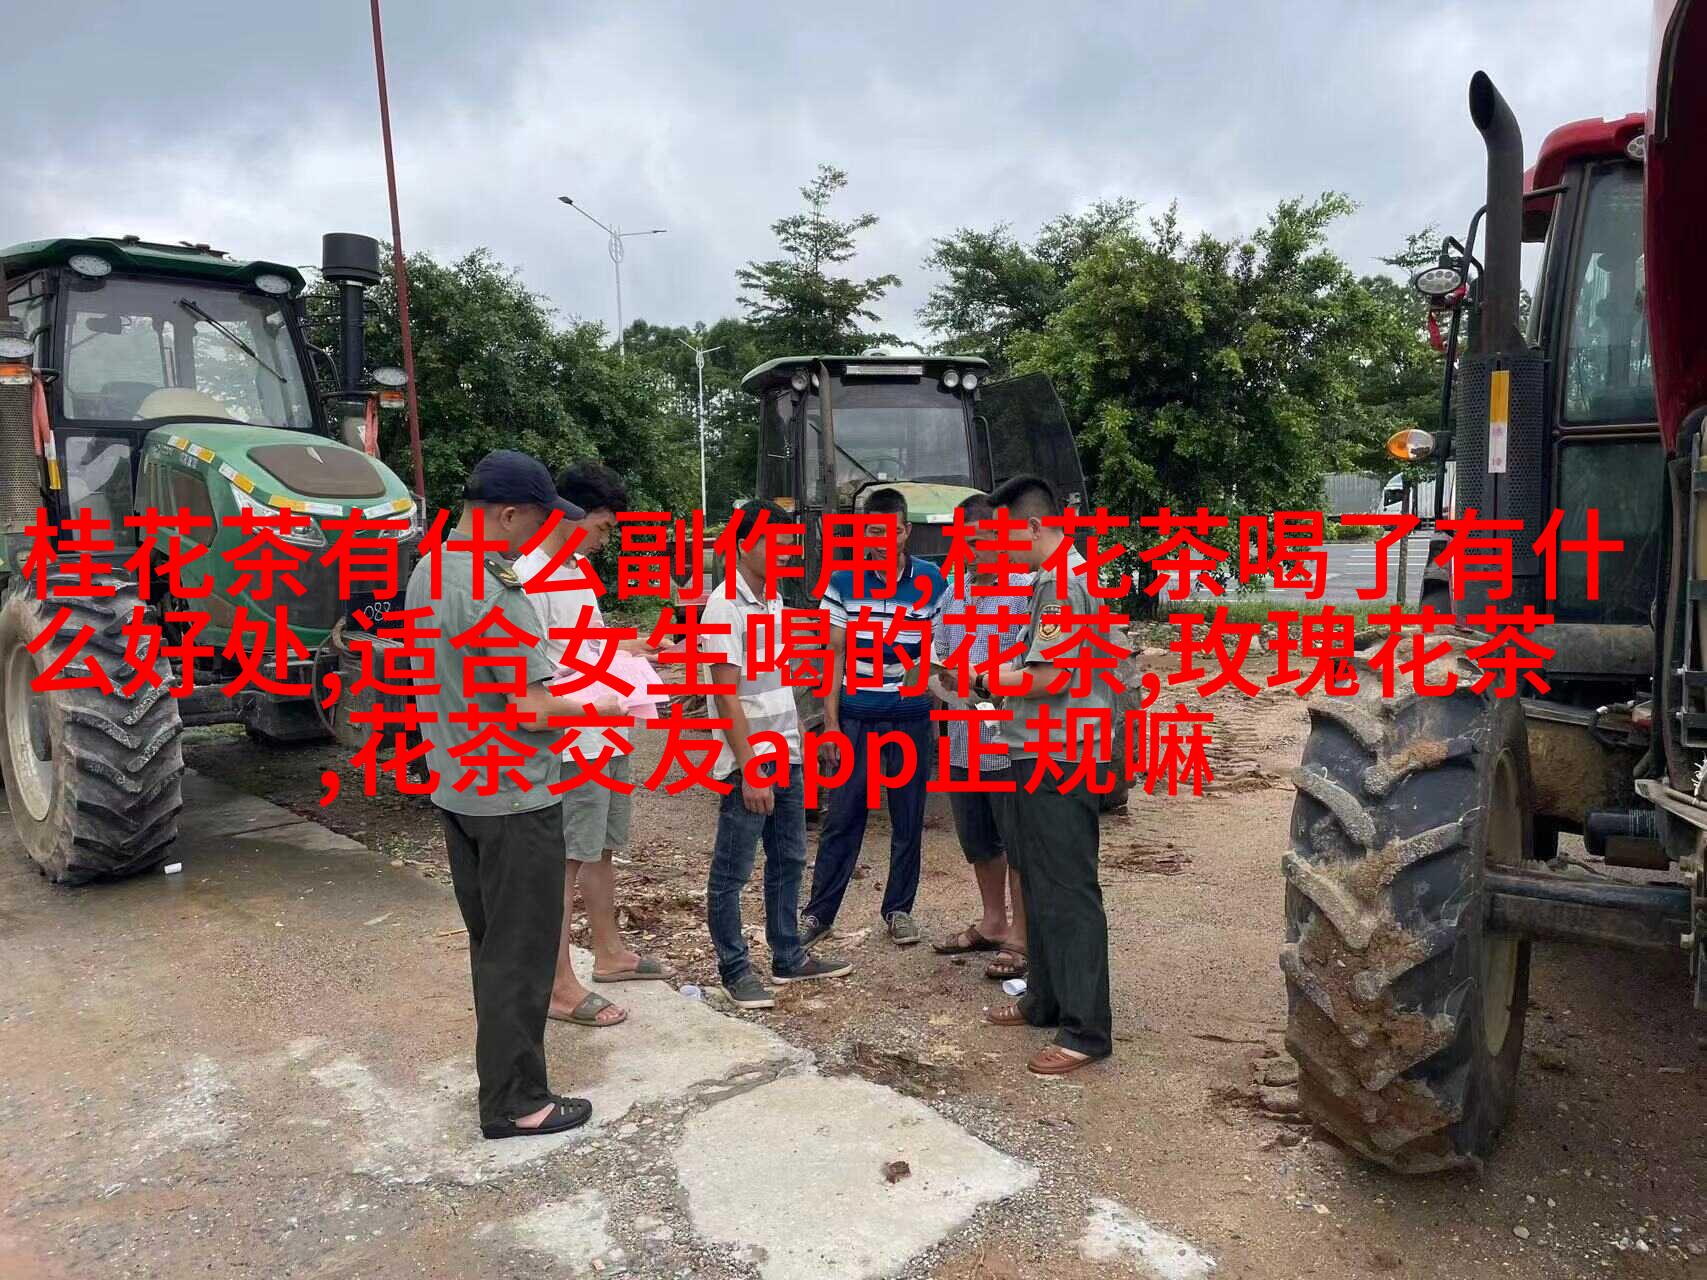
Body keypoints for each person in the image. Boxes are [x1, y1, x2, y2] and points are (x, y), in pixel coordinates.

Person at [406, 449, 594, 1138]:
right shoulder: (492, 588)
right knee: (521, 952)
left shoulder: (429, 571)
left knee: (492, 947)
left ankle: (506, 1087)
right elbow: (531, 707)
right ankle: (517, 1103)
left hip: (461, 789)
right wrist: (608, 702)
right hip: (515, 797)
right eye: (540, 523)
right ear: (508, 514)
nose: (544, 536)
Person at [514, 461, 674, 1033]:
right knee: (565, 859)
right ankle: (557, 983)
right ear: (568, 513)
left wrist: (630, 649)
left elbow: (581, 644)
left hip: (607, 731)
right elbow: (539, 672)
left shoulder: (576, 570)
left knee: (601, 847)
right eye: (602, 526)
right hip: (573, 739)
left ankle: (609, 953)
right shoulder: (528, 577)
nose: (605, 540)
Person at [976, 473, 1118, 1077]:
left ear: (1034, 526)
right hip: (1039, 751)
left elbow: (1049, 677)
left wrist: (983, 679)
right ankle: (1045, 1000)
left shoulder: (1063, 584)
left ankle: (1086, 1030)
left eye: (1006, 534)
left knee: (1066, 889)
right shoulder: (1052, 581)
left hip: (1061, 755)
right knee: (1036, 880)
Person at [703, 499, 852, 1009]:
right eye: (774, 541)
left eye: (789, 541)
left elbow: (779, 682)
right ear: (743, 545)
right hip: (750, 759)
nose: (785, 550)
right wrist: (749, 767)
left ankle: (787, 955)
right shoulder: (725, 605)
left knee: (789, 857)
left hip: (785, 751)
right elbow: (725, 695)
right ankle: (734, 969)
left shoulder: (773, 601)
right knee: (733, 868)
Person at [800, 487, 949, 950]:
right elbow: (833, 657)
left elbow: (936, 652)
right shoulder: (842, 581)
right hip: (856, 719)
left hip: (911, 720)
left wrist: (927, 703)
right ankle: (819, 913)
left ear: (905, 532)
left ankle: (899, 909)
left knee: (908, 817)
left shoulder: (932, 582)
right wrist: (830, 725)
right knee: (843, 817)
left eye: (891, 532)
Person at [930, 492, 1032, 982]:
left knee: (1019, 840)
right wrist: (945, 683)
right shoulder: (954, 593)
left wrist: (983, 683)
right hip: (962, 738)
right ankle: (993, 922)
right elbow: (937, 656)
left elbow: (1033, 667)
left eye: (984, 538)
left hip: (1010, 743)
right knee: (977, 837)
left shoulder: (1026, 592)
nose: (976, 549)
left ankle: (1022, 936)